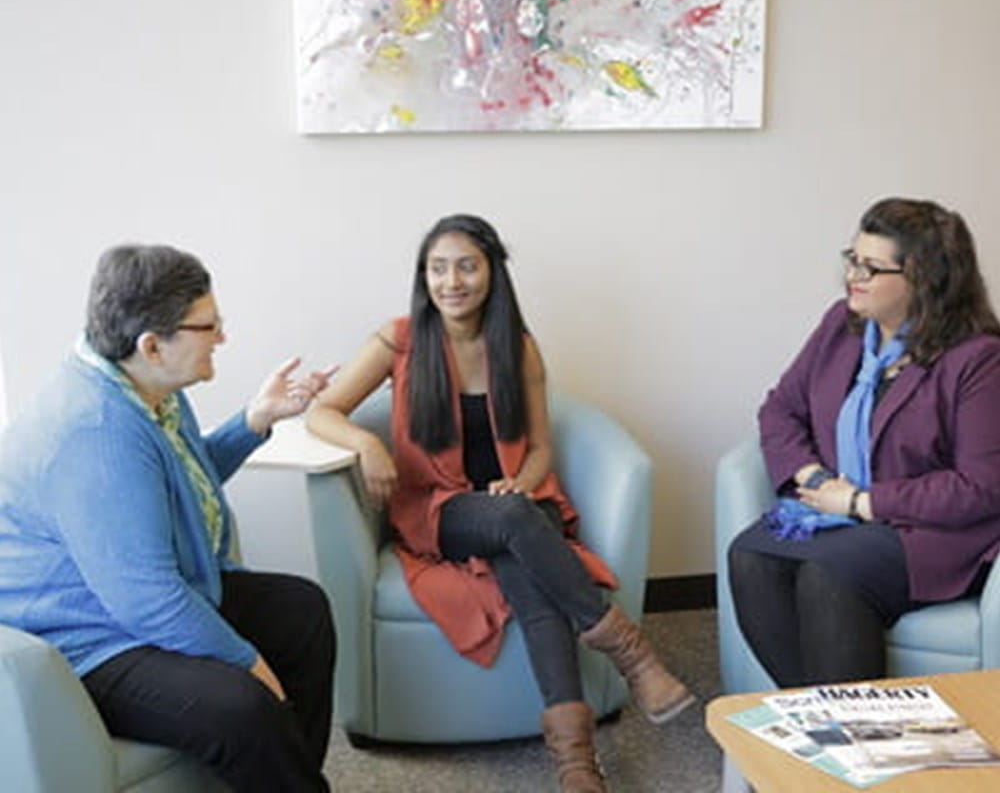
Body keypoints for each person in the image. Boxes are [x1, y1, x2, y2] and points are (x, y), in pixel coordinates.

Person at [307, 214, 693, 793]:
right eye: (437, 269)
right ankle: (631, 654)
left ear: (492, 271)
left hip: (515, 505)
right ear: (424, 277)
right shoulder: (399, 339)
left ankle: (577, 764)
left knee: (532, 583)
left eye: (466, 265)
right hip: (439, 510)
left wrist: (522, 482)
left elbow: (538, 450)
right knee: (516, 523)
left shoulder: (518, 347)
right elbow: (321, 412)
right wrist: (367, 443)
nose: (451, 281)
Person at [0, 245, 337, 792]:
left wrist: (256, 420)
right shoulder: (96, 431)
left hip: (121, 601)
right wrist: (249, 664)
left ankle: (288, 778)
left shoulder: (144, 387)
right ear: (152, 345)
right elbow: (148, 599)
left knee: (302, 612)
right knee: (244, 706)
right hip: (80, 636)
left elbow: (181, 480)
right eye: (210, 326)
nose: (222, 337)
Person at [728, 197, 1000, 689]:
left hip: (927, 532)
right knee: (750, 554)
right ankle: (818, 721)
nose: (853, 275)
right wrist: (812, 476)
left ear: (924, 277)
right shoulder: (844, 325)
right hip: (836, 509)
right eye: (852, 259)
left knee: (827, 573)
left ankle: (850, 739)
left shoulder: (978, 360)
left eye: (871, 268)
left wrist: (861, 501)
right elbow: (780, 409)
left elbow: (980, 486)